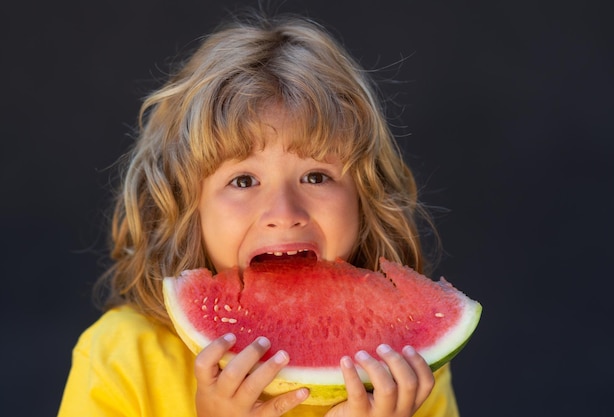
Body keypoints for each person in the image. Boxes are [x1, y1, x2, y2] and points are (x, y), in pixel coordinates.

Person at [58, 10, 459, 417]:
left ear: (365, 197)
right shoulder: (120, 356)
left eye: (316, 176)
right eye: (244, 181)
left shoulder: (402, 367)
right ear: (187, 205)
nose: (284, 214)